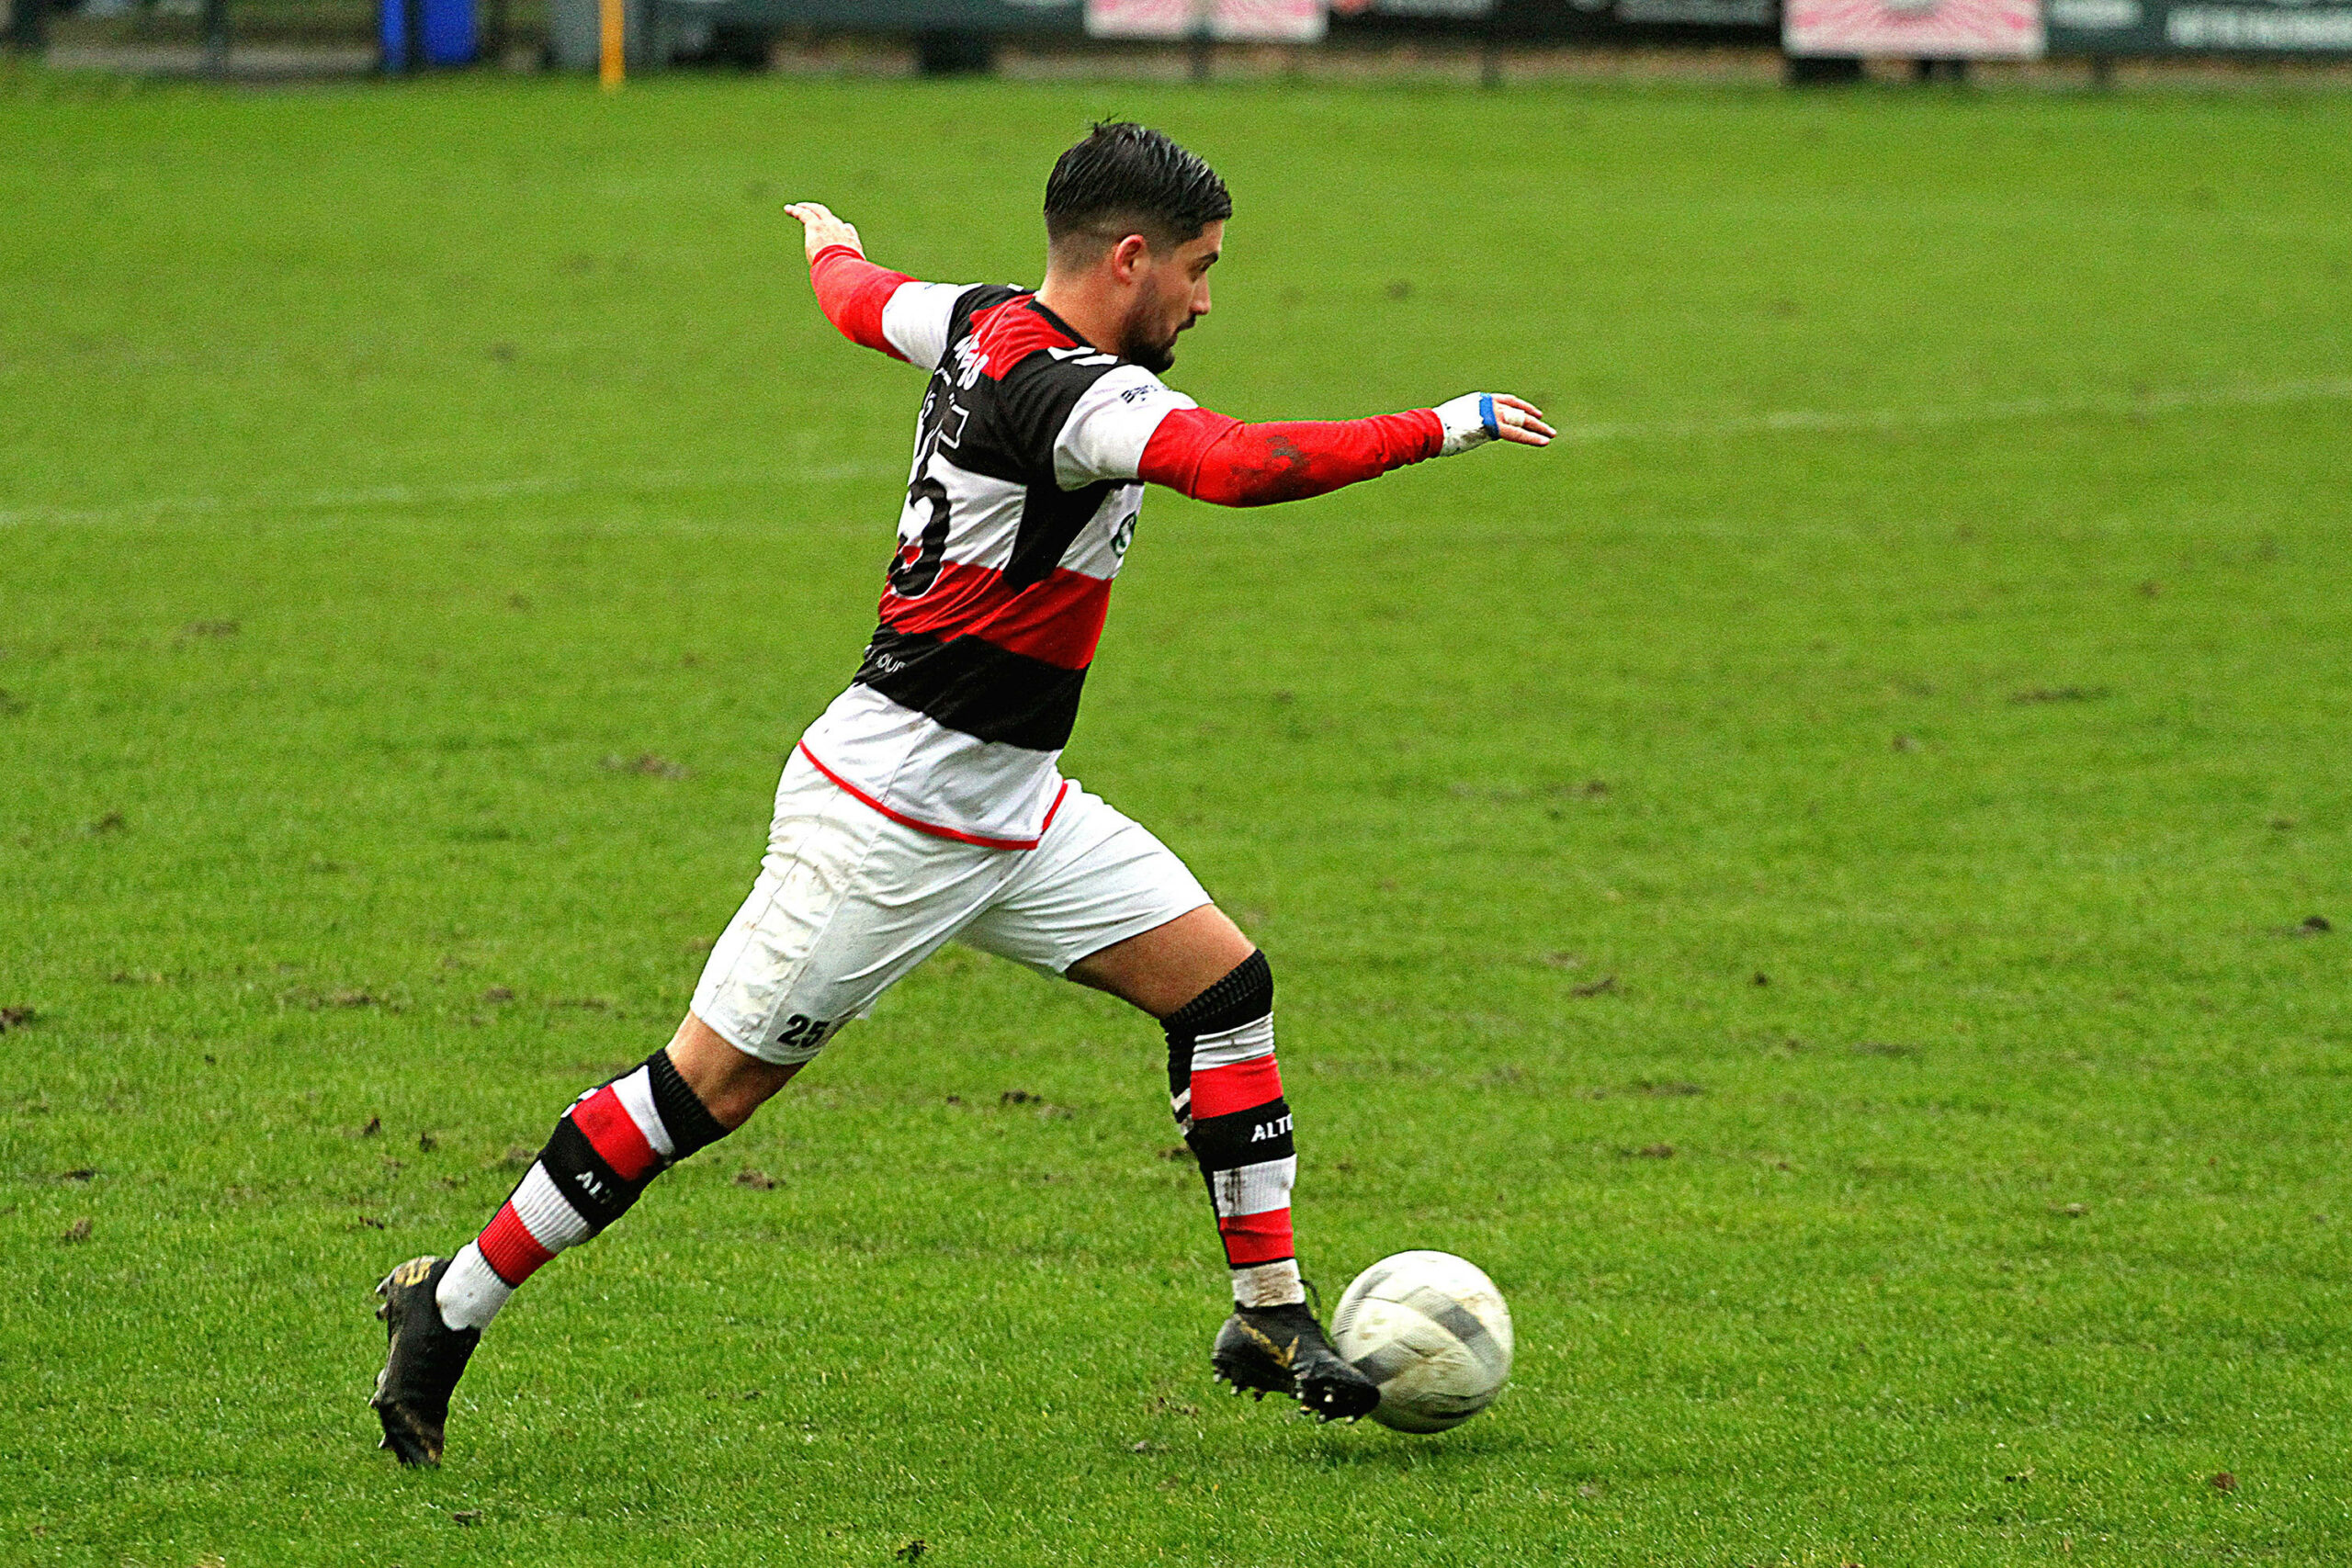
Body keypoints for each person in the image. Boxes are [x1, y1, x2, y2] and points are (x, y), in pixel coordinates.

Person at [370, 120, 1551, 1467]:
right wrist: (1443, 423)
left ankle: (1269, 1315)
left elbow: (864, 308)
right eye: (1200, 269)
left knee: (1221, 990)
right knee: (708, 1091)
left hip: (1014, 801)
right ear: (1128, 259)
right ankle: (444, 1310)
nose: (1208, 299)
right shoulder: (1077, 398)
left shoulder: (981, 319)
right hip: (886, 815)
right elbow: (1240, 467)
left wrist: (834, 245)